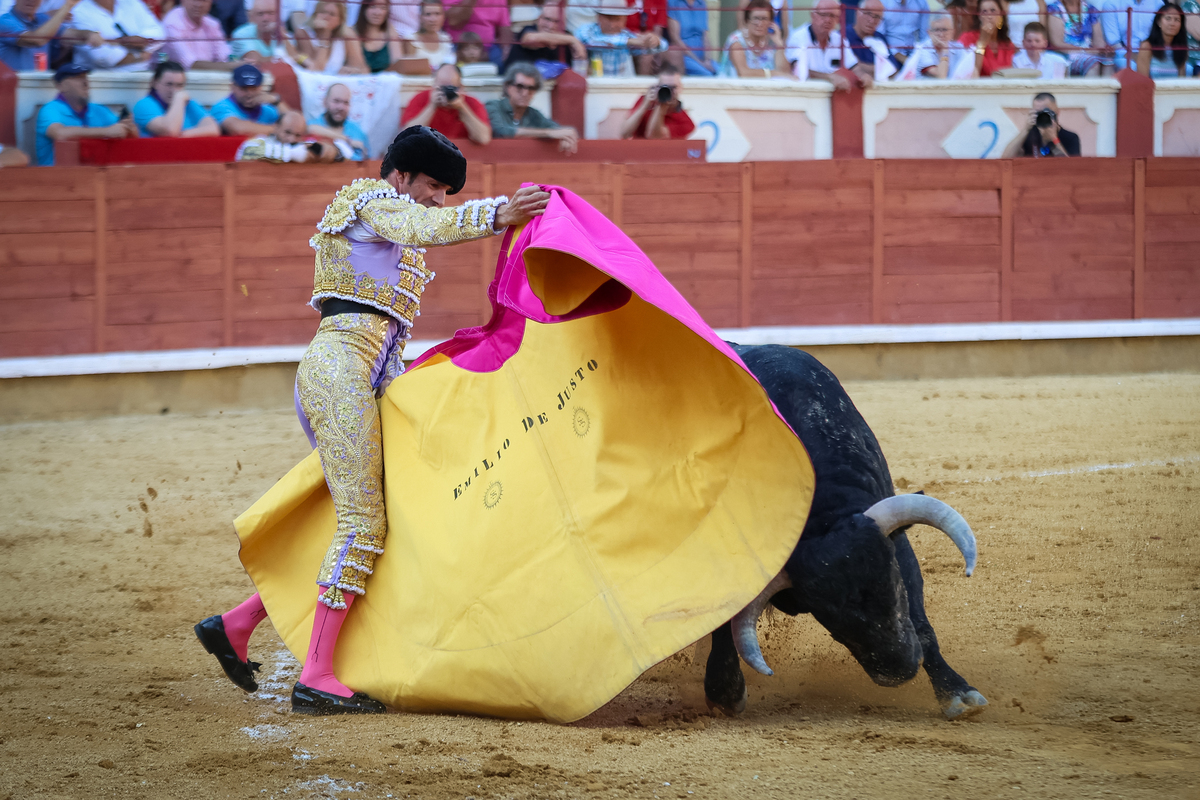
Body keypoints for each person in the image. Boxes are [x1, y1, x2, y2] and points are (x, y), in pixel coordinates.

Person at [196, 126, 550, 716]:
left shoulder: (395, 220)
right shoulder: (371, 202)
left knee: (376, 517)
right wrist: (497, 214)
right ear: (402, 174)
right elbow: (423, 227)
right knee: (364, 523)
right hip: (338, 375)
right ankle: (315, 676)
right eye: (434, 185)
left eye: (446, 190)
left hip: (364, 377)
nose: (440, 198)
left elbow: (388, 337)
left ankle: (236, 624)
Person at [35, 63, 136, 166]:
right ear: (61, 86)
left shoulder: (99, 110)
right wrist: (107, 131)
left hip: (95, 175)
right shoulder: (50, 109)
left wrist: (128, 128)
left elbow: (128, 133)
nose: (86, 83)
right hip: (57, 177)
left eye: (85, 77)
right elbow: (59, 134)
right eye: (78, 78)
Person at [485, 61, 579, 152]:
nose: (525, 93)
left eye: (531, 88)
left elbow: (556, 129)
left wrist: (566, 135)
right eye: (519, 87)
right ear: (507, 87)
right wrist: (548, 133)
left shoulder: (533, 114)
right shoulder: (493, 106)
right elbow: (501, 131)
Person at [400, 62, 491, 145]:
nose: (445, 93)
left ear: (461, 87)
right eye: (442, 88)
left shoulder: (471, 103)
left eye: (451, 88)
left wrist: (462, 107)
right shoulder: (420, 99)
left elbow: (483, 138)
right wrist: (432, 106)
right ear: (434, 85)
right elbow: (407, 136)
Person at [575, 0, 667, 77]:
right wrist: (630, 41)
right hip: (593, 83)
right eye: (609, 18)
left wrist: (655, 40)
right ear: (599, 17)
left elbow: (663, 46)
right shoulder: (586, 30)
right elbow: (591, 40)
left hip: (619, 84)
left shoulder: (626, 35)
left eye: (617, 19)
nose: (612, 25)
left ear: (625, 20)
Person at [132, 59, 220, 136]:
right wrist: (178, 99)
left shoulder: (188, 102)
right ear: (155, 83)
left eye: (179, 85)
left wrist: (183, 134)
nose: (174, 91)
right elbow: (170, 131)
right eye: (169, 84)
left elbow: (213, 129)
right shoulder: (144, 104)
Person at [71, 0, 166, 69]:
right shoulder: (79, 11)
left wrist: (137, 40)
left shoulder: (133, 3)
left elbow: (160, 34)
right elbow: (103, 57)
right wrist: (141, 55)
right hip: (101, 83)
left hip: (143, 76)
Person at [786, 0, 856, 88]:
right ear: (812, 15)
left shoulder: (840, 39)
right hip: (807, 93)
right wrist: (829, 77)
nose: (828, 20)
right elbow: (797, 70)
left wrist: (863, 76)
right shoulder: (798, 38)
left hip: (836, 96)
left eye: (833, 16)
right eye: (823, 15)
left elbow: (854, 66)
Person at [503, 2, 586, 74]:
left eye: (556, 21)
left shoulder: (567, 36)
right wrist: (572, 40)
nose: (550, 26)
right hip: (516, 83)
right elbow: (530, 39)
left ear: (563, 24)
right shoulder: (529, 29)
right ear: (539, 19)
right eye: (547, 19)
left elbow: (581, 67)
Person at [236, 109, 344, 162]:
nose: (292, 139)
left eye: (297, 135)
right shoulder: (260, 142)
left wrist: (331, 151)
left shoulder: (304, 147)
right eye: (287, 132)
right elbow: (247, 151)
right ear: (276, 128)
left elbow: (343, 153)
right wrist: (292, 153)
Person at [619, 64, 694, 140]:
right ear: (657, 87)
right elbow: (624, 133)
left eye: (673, 87)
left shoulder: (684, 122)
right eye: (665, 87)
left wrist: (660, 107)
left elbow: (653, 137)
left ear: (680, 89)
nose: (669, 91)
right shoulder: (645, 101)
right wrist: (644, 105)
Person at [0, 0, 79, 71]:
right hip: (14, 84)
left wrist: (89, 35)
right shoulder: (4, 21)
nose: (32, 1)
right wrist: (66, 6)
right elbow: (37, 40)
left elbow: (72, 35)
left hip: (40, 82)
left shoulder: (43, 19)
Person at [210, 63, 286, 136]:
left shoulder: (267, 109)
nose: (249, 94)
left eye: (253, 88)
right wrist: (280, 130)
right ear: (232, 87)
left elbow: (295, 123)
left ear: (260, 87)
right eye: (244, 88)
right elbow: (238, 129)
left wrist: (277, 102)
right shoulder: (222, 106)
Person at [720, 0, 791, 77]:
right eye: (755, 18)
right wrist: (774, 73)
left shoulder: (771, 42)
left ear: (771, 22)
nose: (759, 23)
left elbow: (785, 72)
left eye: (764, 19)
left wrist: (779, 44)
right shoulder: (737, 40)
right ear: (747, 20)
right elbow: (743, 73)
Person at [297, 0, 369, 74]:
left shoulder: (346, 36)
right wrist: (325, 35)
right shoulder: (303, 33)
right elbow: (317, 69)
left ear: (340, 20)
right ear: (315, 14)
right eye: (322, 12)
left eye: (332, 14)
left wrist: (351, 70)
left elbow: (363, 69)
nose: (326, 17)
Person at [895, 11, 975, 77]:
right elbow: (941, 77)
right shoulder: (923, 49)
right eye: (937, 30)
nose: (941, 34)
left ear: (952, 32)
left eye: (944, 30)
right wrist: (945, 50)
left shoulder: (958, 48)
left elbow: (971, 73)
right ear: (929, 32)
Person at [1001, 91, 1081, 157]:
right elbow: (1005, 158)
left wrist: (1054, 140)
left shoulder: (1070, 137)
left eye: (1046, 112)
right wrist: (1025, 129)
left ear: (1057, 112)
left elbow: (1072, 168)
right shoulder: (1029, 136)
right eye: (1038, 112)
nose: (1043, 115)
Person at [162, 0, 232, 69]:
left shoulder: (212, 23)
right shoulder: (172, 23)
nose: (199, 5)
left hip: (209, 76)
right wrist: (234, 65)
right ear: (182, 1)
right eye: (194, 0)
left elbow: (225, 57)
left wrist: (233, 64)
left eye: (204, 1)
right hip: (176, 78)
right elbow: (191, 64)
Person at [307, 82, 368, 160]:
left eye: (346, 103)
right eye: (336, 101)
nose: (341, 107)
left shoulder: (358, 132)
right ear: (325, 102)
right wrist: (347, 141)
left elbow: (366, 162)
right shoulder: (312, 125)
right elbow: (310, 129)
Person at [1044, 0, 1107, 75]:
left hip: (1090, 53)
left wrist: (1101, 50)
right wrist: (1084, 51)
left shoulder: (1090, 9)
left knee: (1108, 63)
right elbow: (1057, 43)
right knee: (1093, 64)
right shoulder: (1055, 9)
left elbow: (1098, 41)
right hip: (1068, 55)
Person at [847, 0, 901, 85]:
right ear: (857, 12)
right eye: (868, 13)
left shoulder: (880, 38)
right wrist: (881, 69)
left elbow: (894, 69)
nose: (872, 20)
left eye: (877, 17)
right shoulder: (843, 36)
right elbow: (846, 68)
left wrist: (860, 66)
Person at [443, 0, 509, 67]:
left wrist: (506, 48)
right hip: (458, 46)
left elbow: (504, 26)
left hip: (489, 47)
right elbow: (454, 21)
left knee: (502, 62)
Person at [958, 0, 1015, 77]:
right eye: (984, 11)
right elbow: (972, 71)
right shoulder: (967, 38)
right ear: (979, 16)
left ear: (1001, 15)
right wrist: (982, 42)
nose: (989, 16)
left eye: (993, 11)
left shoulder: (1007, 44)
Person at [1099, 0, 1155, 70]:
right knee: (1132, 67)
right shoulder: (1110, 4)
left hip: (1154, 54)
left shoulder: (1158, 3)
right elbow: (1113, 42)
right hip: (1124, 56)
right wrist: (1137, 57)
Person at [1137, 2, 1189, 77]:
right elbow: (1142, 80)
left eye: (1177, 20)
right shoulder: (1147, 46)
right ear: (1159, 22)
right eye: (1168, 18)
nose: (1172, 23)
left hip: (1175, 88)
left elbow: (1181, 80)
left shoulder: (1181, 47)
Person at [403, 0, 457, 68]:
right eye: (428, 14)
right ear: (420, 17)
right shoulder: (411, 40)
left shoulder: (445, 39)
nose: (433, 19)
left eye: (437, 14)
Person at [667, 0, 715, 76]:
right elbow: (675, 39)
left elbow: (705, 36)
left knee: (722, 73)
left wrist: (707, 60)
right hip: (685, 55)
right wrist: (700, 63)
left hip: (702, 56)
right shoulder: (673, 3)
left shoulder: (701, 3)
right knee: (707, 75)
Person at [353, 0, 401, 72]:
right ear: (364, 8)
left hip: (386, 80)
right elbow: (358, 66)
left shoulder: (391, 32)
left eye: (383, 8)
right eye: (373, 7)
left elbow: (397, 64)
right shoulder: (353, 33)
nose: (378, 12)